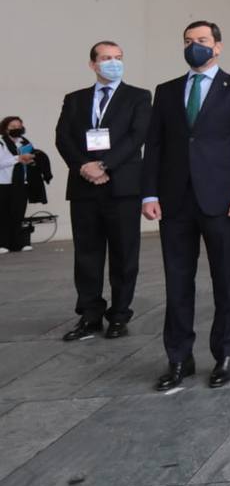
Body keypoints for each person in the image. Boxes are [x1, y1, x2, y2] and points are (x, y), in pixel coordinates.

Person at [142, 21, 230, 390]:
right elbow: (155, 147)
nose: (195, 46)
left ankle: (225, 354)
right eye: (189, 41)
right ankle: (179, 359)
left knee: (226, 281)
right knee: (177, 283)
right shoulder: (165, 91)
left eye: (203, 41)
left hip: (223, 201)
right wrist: (149, 194)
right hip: (174, 203)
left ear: (218, 47)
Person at [54, 41, 152, 340]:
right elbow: (63, 137)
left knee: (124, 254)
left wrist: (104, 165)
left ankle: (119, 316)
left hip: (122, 187)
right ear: (93, 64)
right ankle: (90, 315)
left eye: (119, 58)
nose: (114, 63)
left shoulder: (138, 96)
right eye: (107, 58)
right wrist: (85, 166)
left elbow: (137, 137)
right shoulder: (75, 99)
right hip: (84, 187)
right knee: (87, 254)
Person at [0, 116, 37, 253]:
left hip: (21, 183)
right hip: (4, 184)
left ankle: (19, 243)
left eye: (18, 126)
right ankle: (3, 244)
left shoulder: (24, 142)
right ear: (5, 128)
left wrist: (32, 159)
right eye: (12, 127)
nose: (16, 129)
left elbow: (31, 156)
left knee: (18, 213)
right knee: (3, 214)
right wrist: (18, 158)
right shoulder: (1, 142)